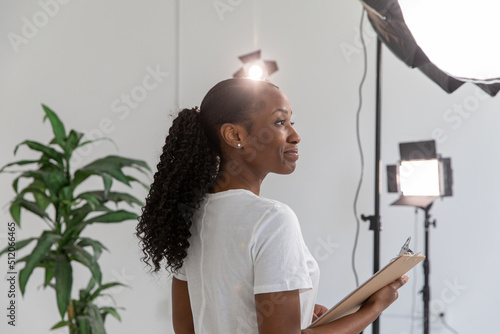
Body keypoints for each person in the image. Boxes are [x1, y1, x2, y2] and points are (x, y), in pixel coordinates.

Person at [136, 78, 408, 334]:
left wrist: (298, 310)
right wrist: (374, 308)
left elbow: (186, 327)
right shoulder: (272, 219)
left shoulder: (190, 216)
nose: (295, 135)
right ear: (234, 135)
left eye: (291, 122)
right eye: (280, 122)